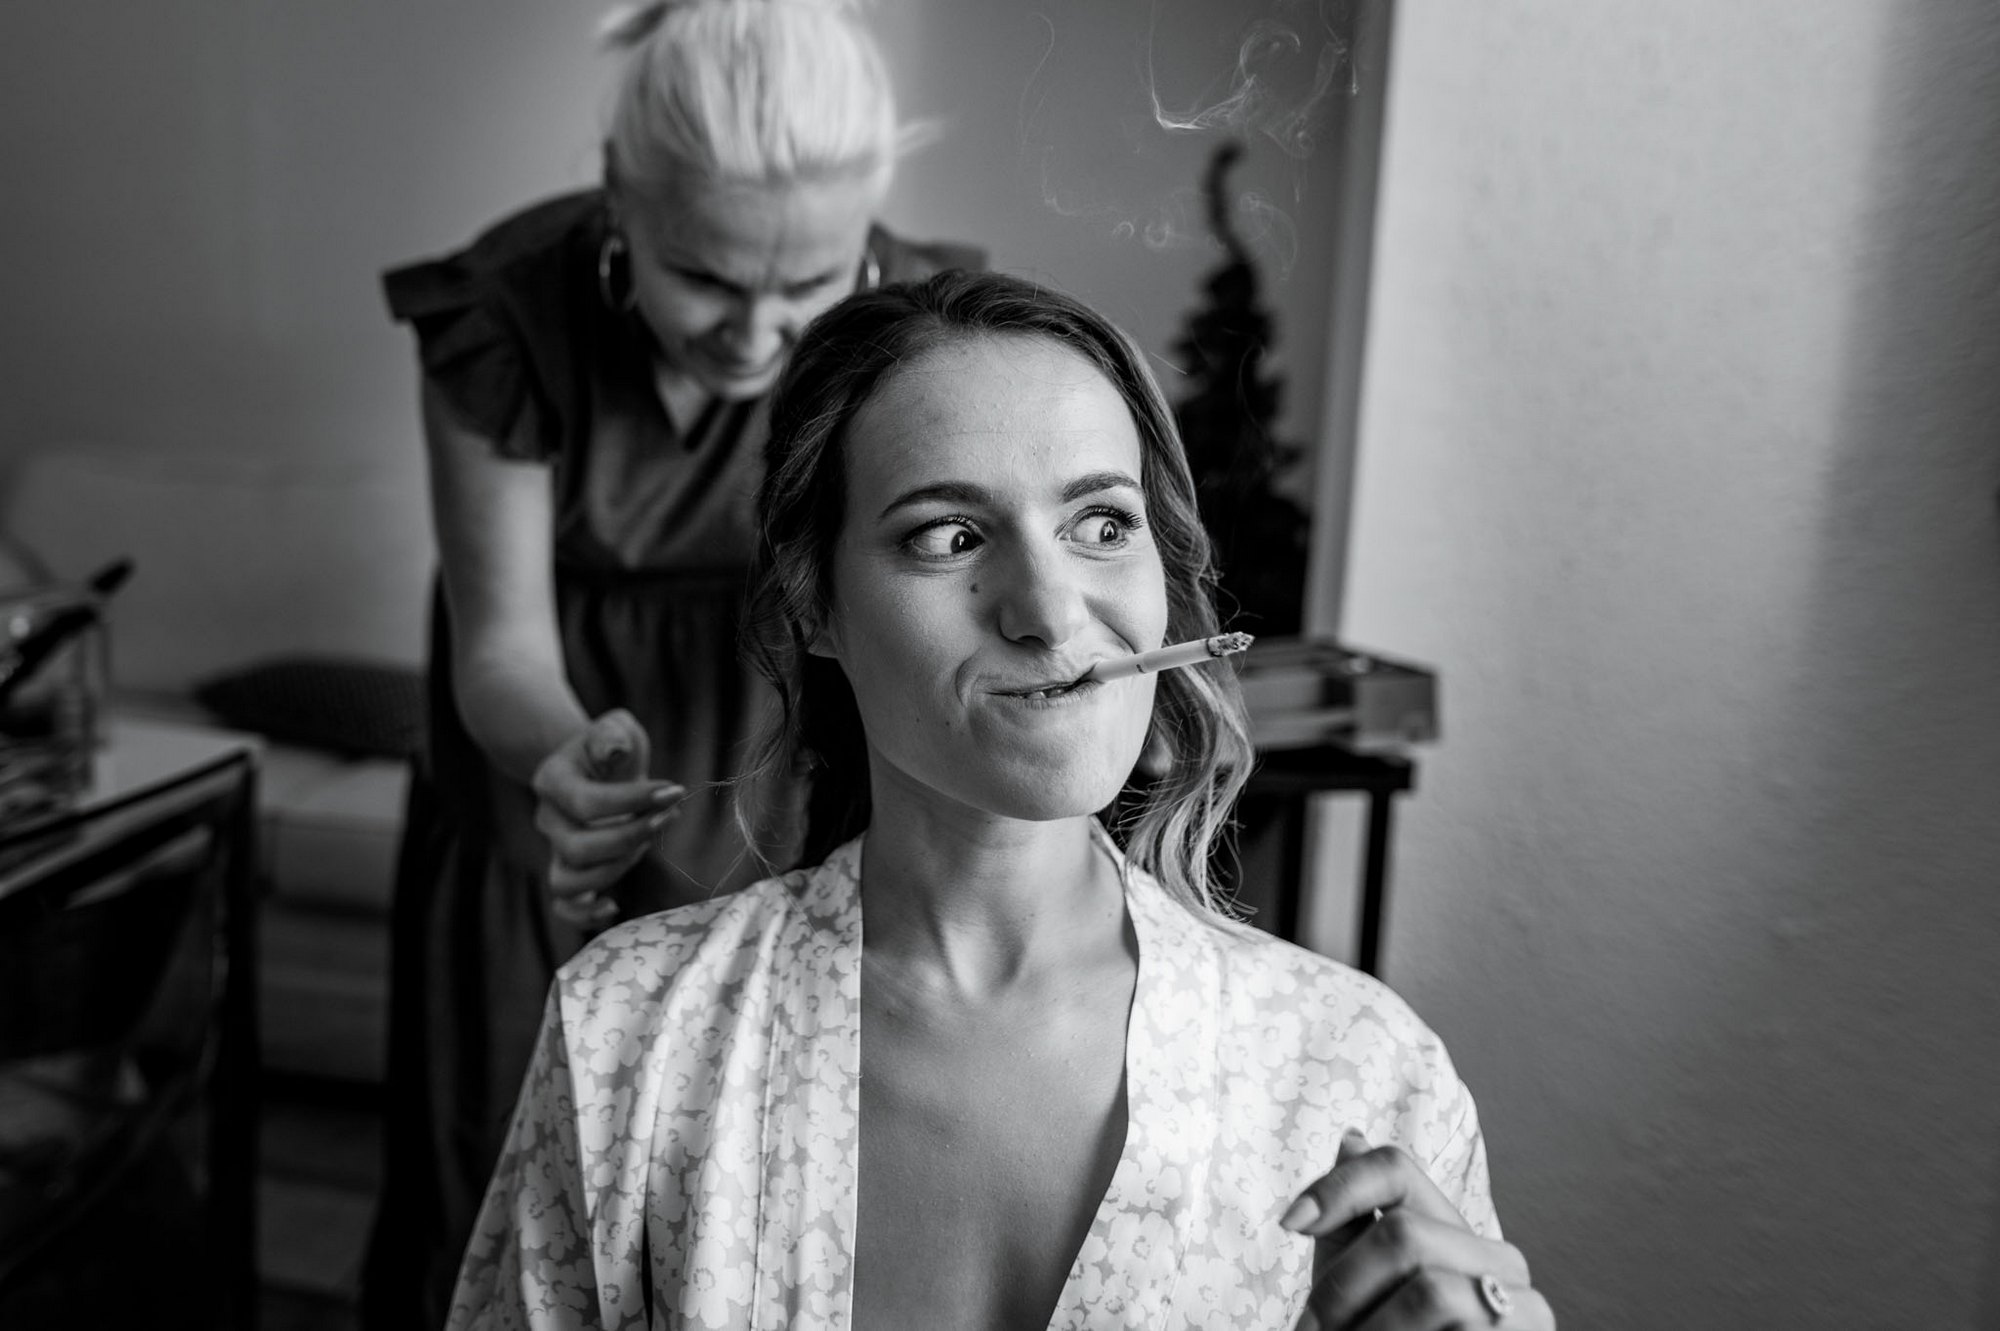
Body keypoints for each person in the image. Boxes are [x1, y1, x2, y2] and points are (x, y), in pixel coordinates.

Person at [446, 271, 1555, 1329]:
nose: (1049, 613)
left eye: (1101, 523)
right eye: (950, 535)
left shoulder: (1360, 1069)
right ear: (811, 602)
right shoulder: (627, 1036)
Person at [359, 4, 982, 1326]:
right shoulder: (503, 314)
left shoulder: (919, 317)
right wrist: (568, 759)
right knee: (501, 1158)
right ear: (616, 201)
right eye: (703, 276)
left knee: (748, 1170)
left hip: (790, 768)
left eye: (810, 284)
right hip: (551, 772)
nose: (759, 336)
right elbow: (503, 646)